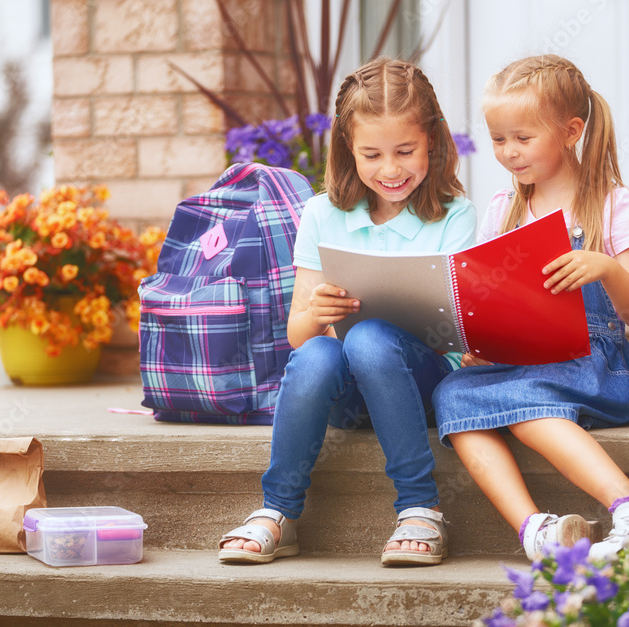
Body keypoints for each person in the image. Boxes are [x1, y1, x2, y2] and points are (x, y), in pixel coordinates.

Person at [218, 57, 477, 567]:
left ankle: (419, 506)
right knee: (319, 353)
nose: (391, 169)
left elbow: (460, 332)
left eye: (405, 150)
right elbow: (297, 336)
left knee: (369, 338)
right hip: (350, 396)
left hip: (422, 385)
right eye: (372, 154)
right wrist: (317, 311)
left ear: (433, 141)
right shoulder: (321, 214)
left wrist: (469, 345)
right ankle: (277, 511)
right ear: (346, 149)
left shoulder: (455, 215)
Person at [432, 54, 629, 563]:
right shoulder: (503, 209)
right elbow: (493, 300)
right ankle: (536, 531)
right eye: (498, 140)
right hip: (525, 362)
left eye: (523, 138)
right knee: (452, 394)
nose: (509, 153)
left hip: (595, 366)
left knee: (524, 401)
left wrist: (604, 268)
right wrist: (480, 346)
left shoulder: (610, 203)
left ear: (570, 131)